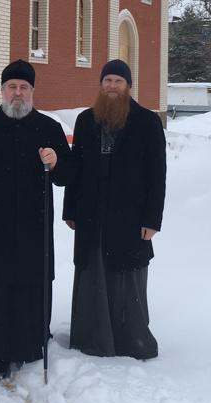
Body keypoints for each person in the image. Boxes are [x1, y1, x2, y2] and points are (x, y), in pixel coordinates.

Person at [0, 60, 70, 379]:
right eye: (12, 87)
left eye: (24, 87)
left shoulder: (49, 129)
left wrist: (57, 161)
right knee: (0, 287)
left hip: (35, 226)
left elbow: (68, 176)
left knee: (32, 286)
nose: (18, 93)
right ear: (2, 90)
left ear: (32, 91)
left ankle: (31, 344)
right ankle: (0, 352)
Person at [63, 59, 166, 360]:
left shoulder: (147, 122)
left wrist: (152, 219)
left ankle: (130, 340)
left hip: (130, 214)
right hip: (92, 211)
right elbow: (77, 168)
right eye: (107, 81)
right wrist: (70, 210)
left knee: (126, 275)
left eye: (118, 81)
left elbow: (157, 175)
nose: (112, 86)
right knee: (92, 271)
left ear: (128, 86)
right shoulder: (85, 120)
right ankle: (91, 337)